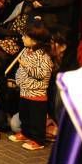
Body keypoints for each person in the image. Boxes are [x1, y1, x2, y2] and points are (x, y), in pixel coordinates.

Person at [10, 18, 53, 151]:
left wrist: (26, 66)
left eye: (25, 36)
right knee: (25, 116)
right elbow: (21, 71)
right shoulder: (27, 52)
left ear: (34, 40)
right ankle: (26, 134)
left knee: (36, 120)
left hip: (36, 95)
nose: (22, 38)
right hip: (24, 92)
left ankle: (38, 140)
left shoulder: (43, 56)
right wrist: (17, 80)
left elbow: (42, 74)